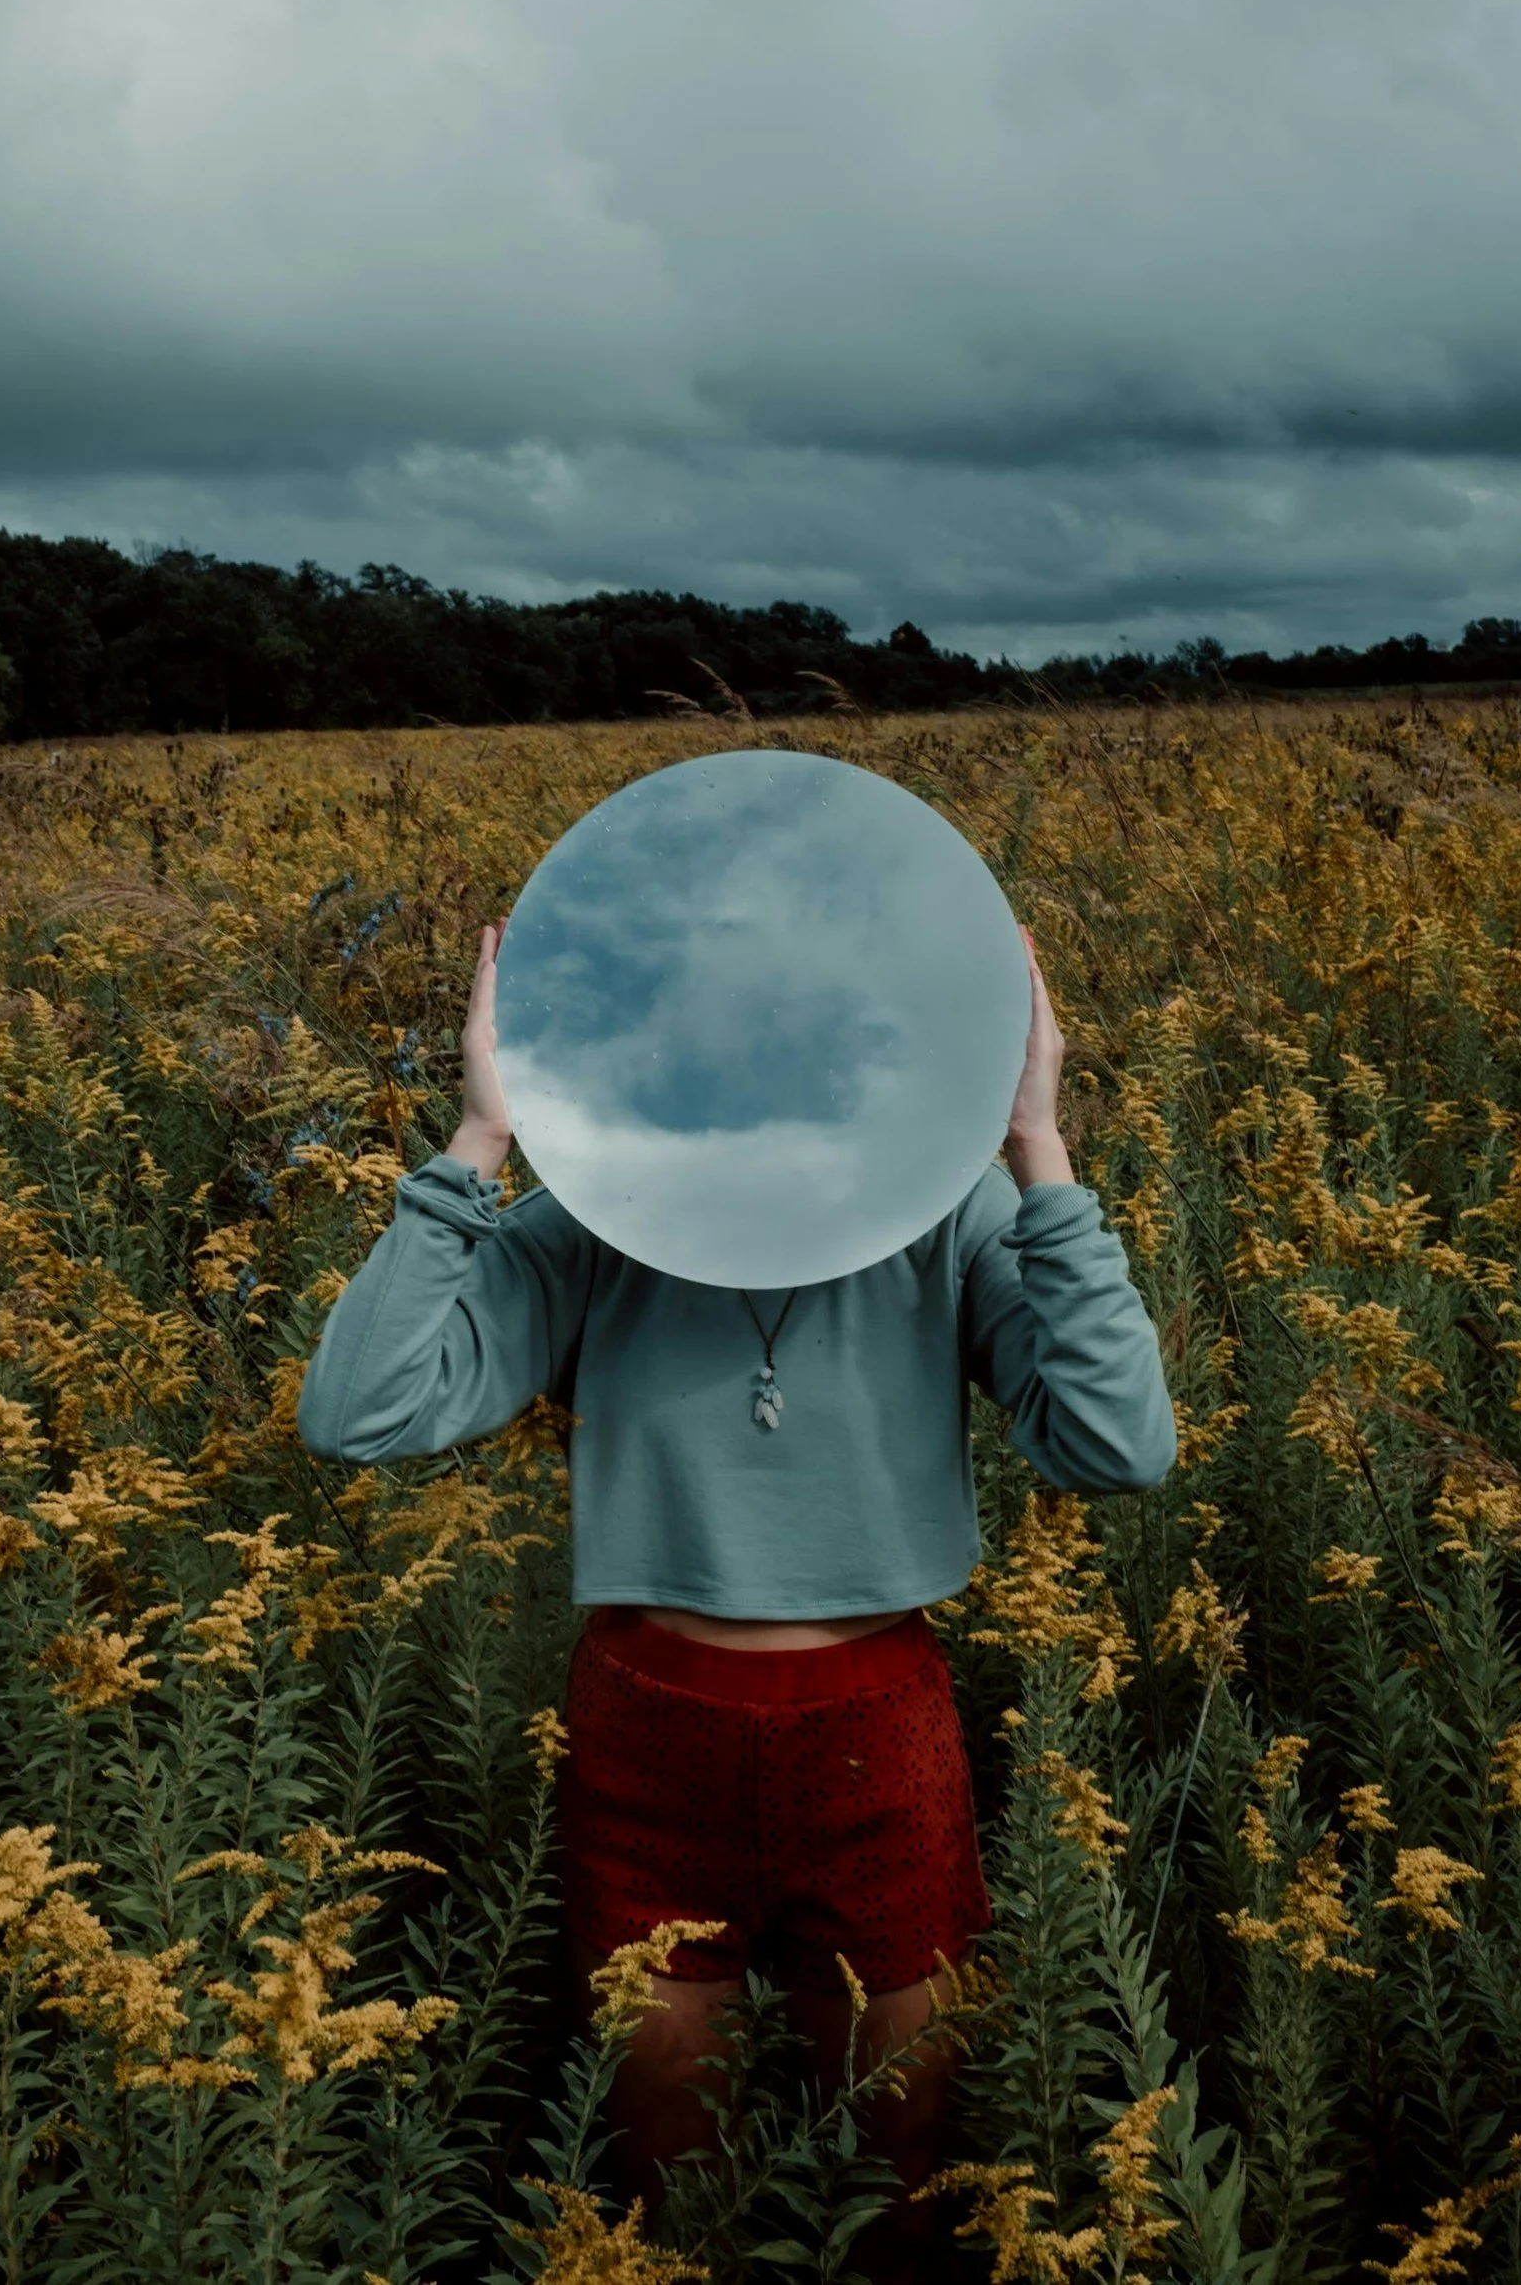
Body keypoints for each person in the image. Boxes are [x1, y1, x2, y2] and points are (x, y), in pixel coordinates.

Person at [296, 913, 1176, 2275]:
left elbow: (1120, 1445)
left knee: (903, 2172)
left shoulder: (947, 1217)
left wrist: (1035, 1149)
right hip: (648, 1736)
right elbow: (360, 1409)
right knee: (665, 2187)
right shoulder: (591, 1226)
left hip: (876, 1734)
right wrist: (479, 1140)